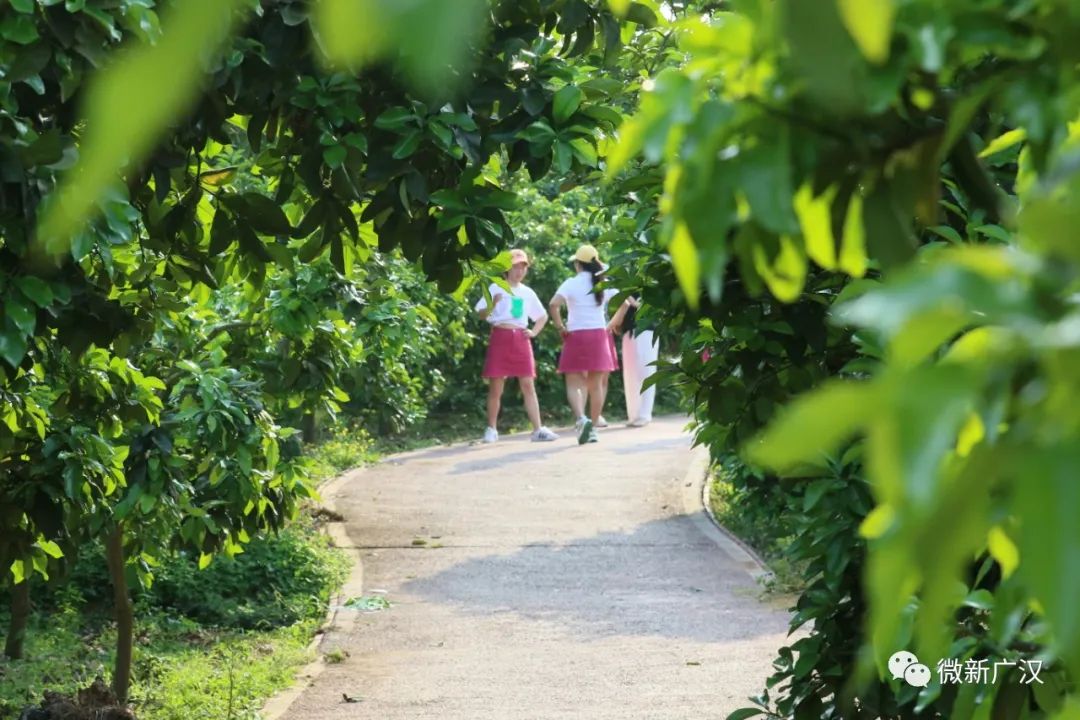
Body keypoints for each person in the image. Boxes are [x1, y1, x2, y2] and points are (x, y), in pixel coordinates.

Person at [475, 249, 559, 444]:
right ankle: (491, 429)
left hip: (521, 338)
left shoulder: (527, 292)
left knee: (528, 384)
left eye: (523, 266)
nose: (519, 270)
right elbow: (480, 313)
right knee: (496, 385)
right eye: (515, 266)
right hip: (500, 335)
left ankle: (538, 429)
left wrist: (534, 332)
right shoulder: (496, 287)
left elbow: (542, 316)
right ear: (507, 268)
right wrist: (492, 304)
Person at [549, 244, 619, 445]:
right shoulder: (602, 282)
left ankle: (581, 419)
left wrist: (560, 326)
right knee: (596, 386)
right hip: (598, 335)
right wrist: (611, 324)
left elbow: (554, 304)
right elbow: (624, 303)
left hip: (576, 335)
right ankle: (594, 426)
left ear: (578, 264)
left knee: (574, 383)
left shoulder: (571, 283)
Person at [608, 297, 658, 427]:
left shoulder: (648, 283)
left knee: (646, 373)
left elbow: (644, 306)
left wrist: (628, 297)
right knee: (630, 375)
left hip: (646, 331)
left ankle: (644, 415)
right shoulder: (625, 285)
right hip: (628, 332)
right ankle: (634, 415)